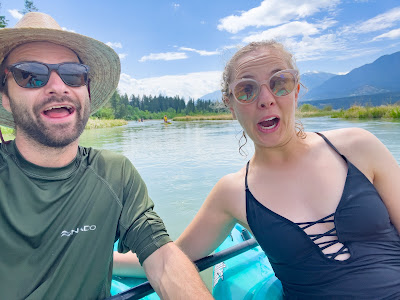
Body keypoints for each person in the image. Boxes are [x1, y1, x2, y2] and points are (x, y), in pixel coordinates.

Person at [114, 40, 400, 299]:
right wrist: (100, 259)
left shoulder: (358, 147)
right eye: (246, 90)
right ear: (230, 104)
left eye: (280, 83)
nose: (265, 99)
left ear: (296, 90)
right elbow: (172, 256)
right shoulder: (233, 192)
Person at [0, 12, 212, 300]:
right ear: (5, 97)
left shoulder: (115, 174)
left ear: (85, 90)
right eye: (30, 76)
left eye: (72, 74)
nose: (58, 86)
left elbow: (162, 260)